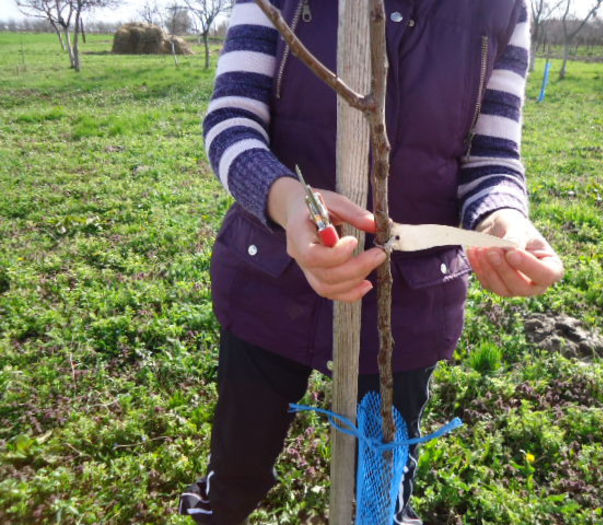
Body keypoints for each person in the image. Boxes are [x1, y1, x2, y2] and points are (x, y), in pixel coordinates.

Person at [179, 0, 564, 523]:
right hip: (267, 280)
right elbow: (232, 120)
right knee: (238, 459)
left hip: (408, 301)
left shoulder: (499, 10)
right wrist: (290, 202)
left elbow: (491, 157)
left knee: (380, 491)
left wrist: (502, 218)